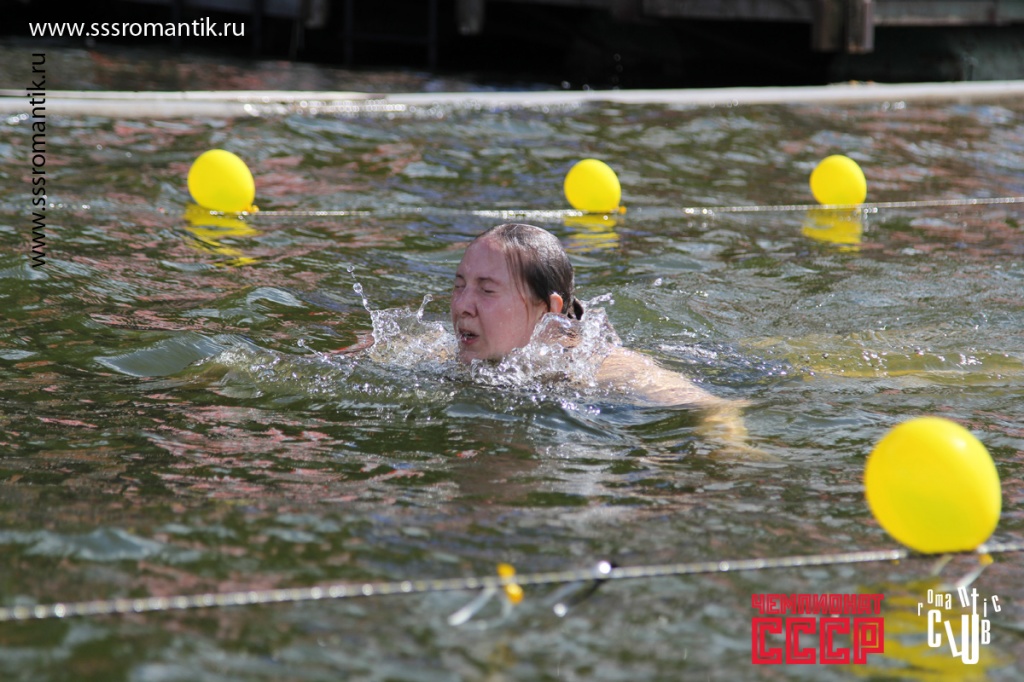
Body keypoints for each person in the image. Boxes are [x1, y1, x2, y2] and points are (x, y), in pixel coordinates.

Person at [451, 223, 749, 427]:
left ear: (550, 310)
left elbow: (716, 408)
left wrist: (729, 447)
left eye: (487, 290)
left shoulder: (604, 368)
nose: (463, 305)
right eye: (459, 286)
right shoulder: (446, 354)